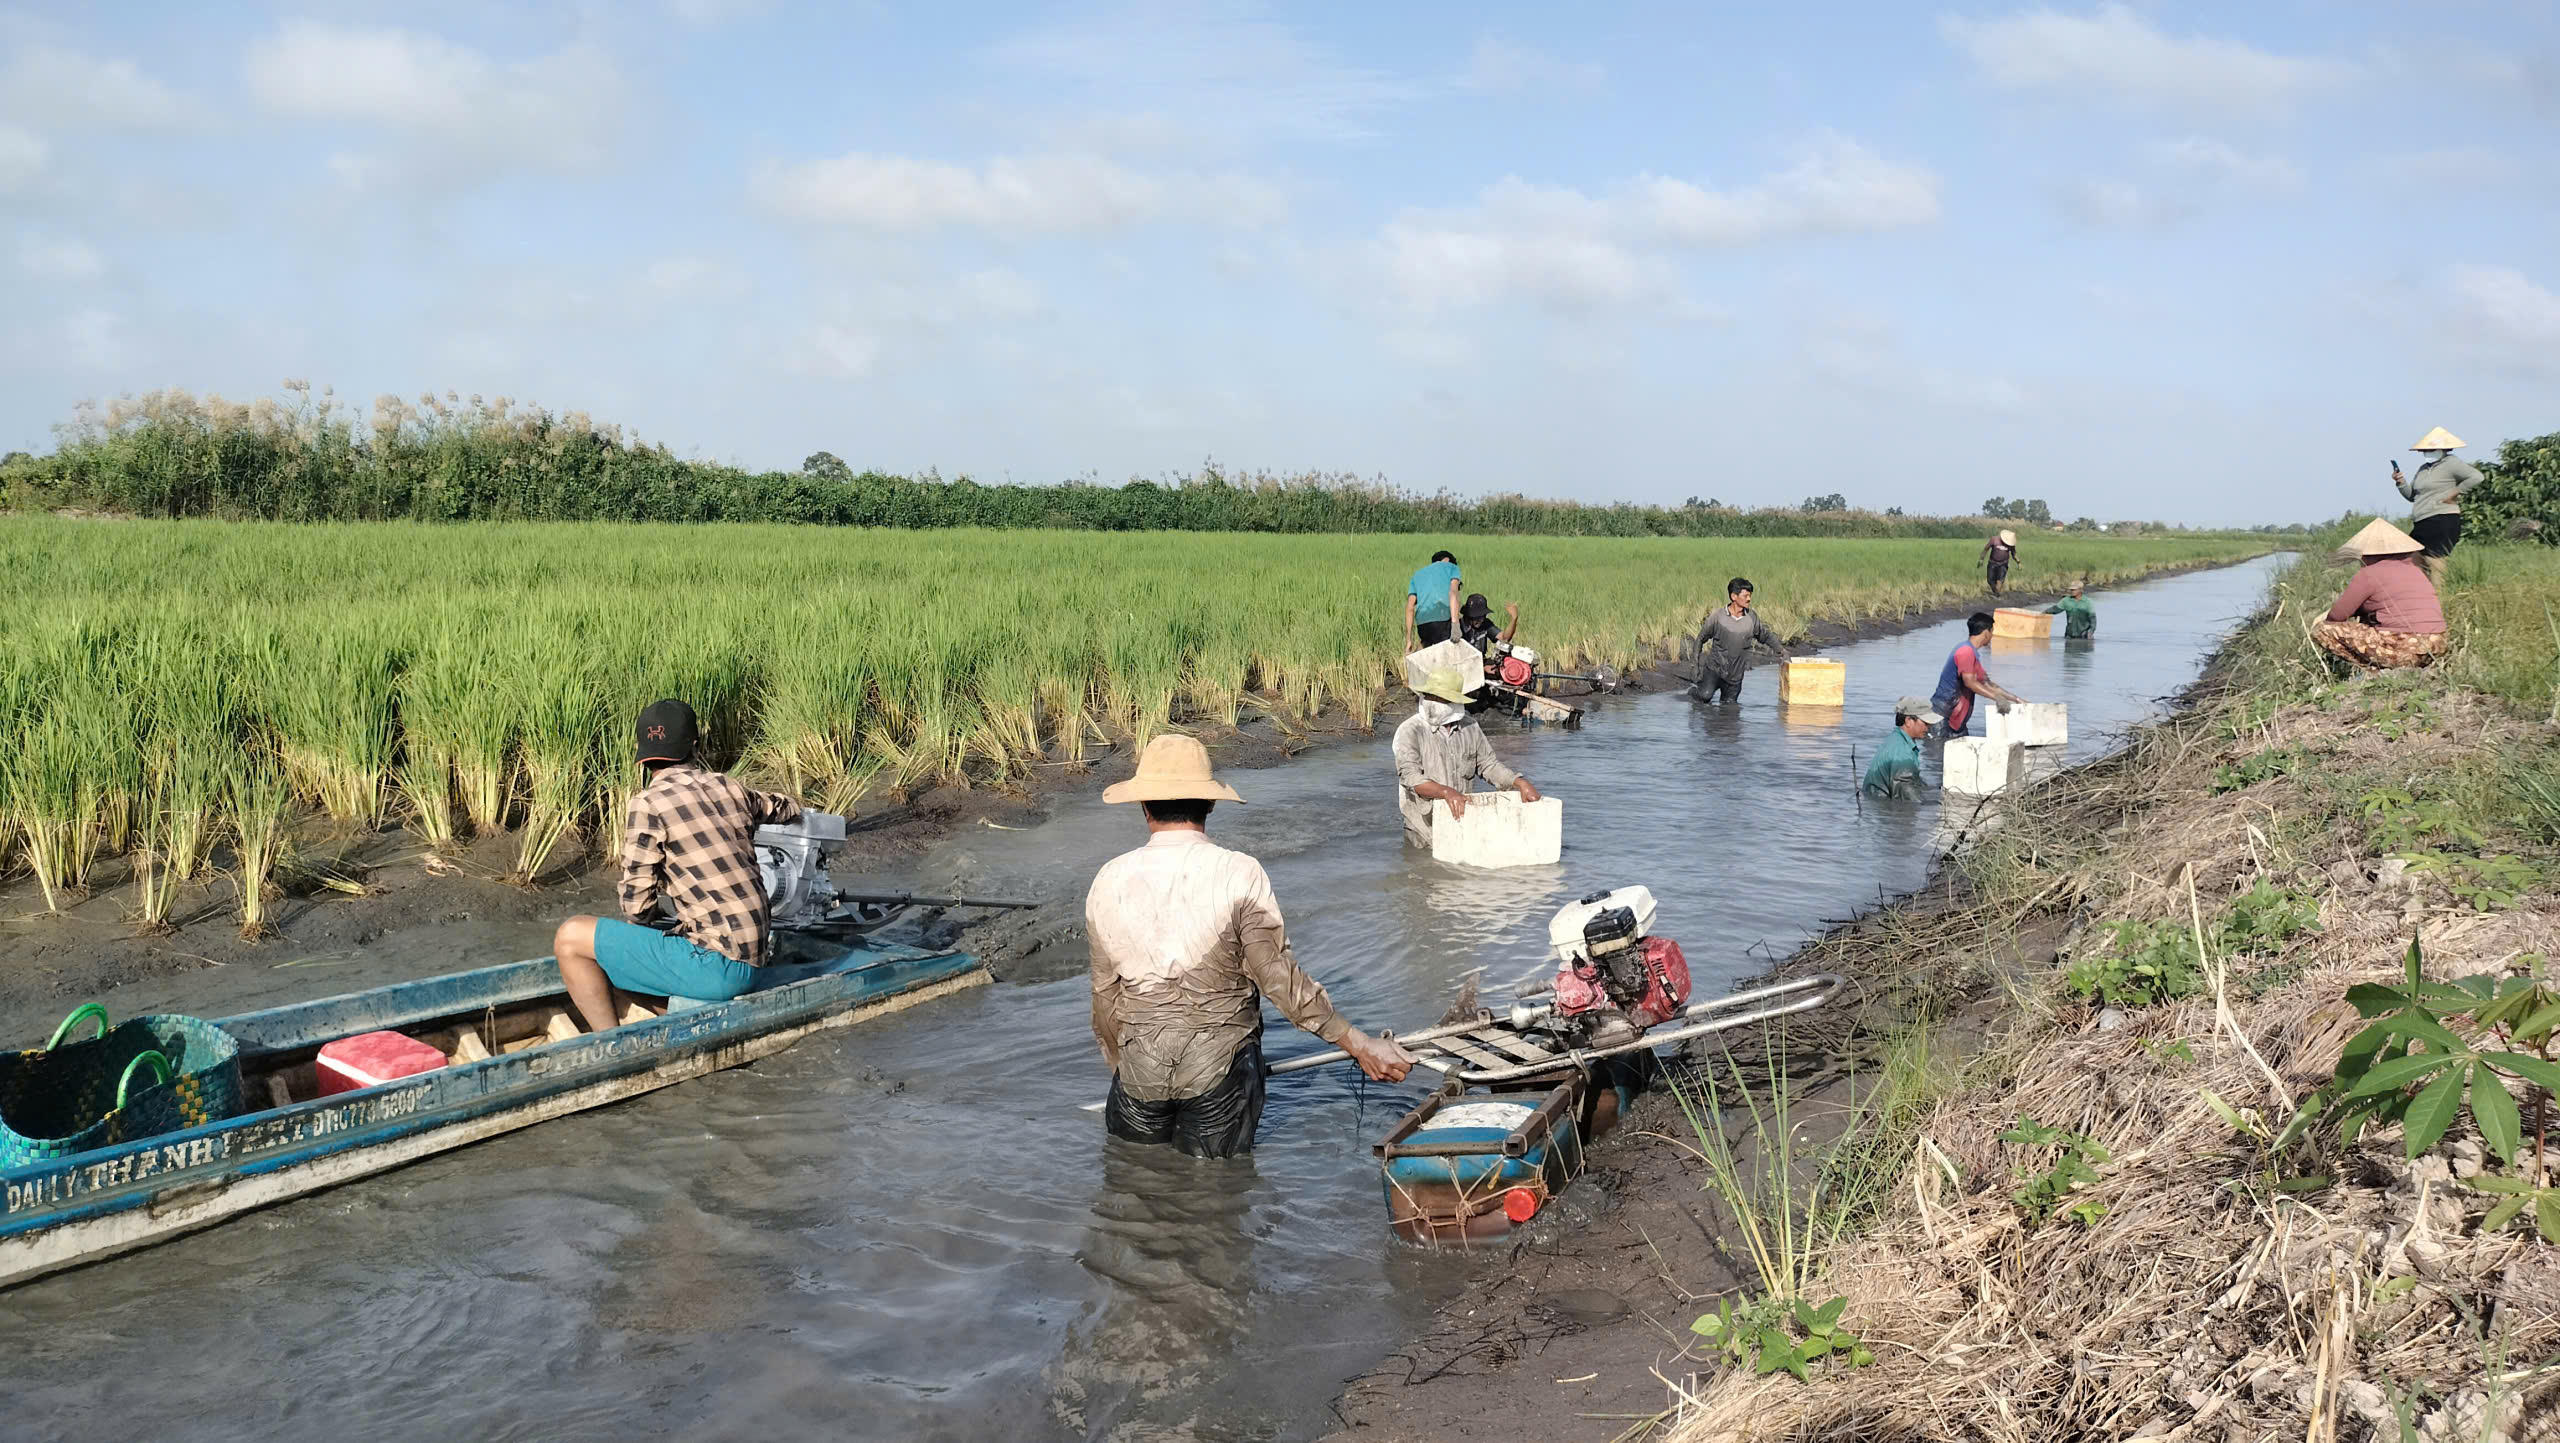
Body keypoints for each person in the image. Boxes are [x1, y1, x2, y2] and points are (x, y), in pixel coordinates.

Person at [1086, 733, 1415, 1158]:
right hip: (1219, 1074)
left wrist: (1124, 1068)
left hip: (1138, 1074)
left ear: (1144, 807)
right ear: (1210, 804)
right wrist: (1359, 1044)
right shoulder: (1239, 873)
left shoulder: (1107, 880)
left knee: (1136, 1186)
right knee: (1216, 1196)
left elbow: (1104, 998)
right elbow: (1280, 981)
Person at [552, 700, 803, 1034]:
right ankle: (672, 1012)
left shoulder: (648, 803)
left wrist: (653, 913)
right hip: (754, 956)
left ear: (644, 757)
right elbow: (782, 806)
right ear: (694, 748)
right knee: (647, 944)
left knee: (570, 937)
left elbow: (637, 907)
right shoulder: (728, 787)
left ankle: (609, 1042)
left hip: (719, 968)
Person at [1392, 667, 1543, 847]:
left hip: (1461, 818)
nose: (1432, 702)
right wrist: (1446, 792)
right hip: (1423, 830)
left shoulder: (1470, 728)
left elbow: (1488, 765)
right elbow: (1411, 778)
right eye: (1429, 696)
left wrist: (1519, 782)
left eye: (1440, 698)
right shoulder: (1410, 731)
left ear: (1454, 701)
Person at [2312, 519, 2447, 670]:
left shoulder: (2369, 574)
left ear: (2367, 554)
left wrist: (2325, 617)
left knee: (2322, 630)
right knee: (2368, 620)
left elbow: (2337, 617)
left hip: (2405, 648)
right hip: (2437, 646)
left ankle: (2371, 669)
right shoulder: (2416, 570)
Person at [2392, 427, 2483, 577]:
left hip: (2442, 518)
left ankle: (2440, 594)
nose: (2427, 453)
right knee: (2412, 558)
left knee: (2434, 558)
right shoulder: (2423, 469)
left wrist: (2455, 492)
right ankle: (2425, 593)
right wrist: (2401, 482)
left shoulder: (2451, 463)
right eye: (2425, 450)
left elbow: (2477, 477)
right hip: (2422, 520)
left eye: (2431, 449)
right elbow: (2412, 496)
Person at [1690, 576, 1784, 704]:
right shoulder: (1718, 617)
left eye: (1750, 595)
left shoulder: (1751, 618)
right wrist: (1695, 666)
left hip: (1735, 676)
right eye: (1745, 596)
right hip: (1715, 670)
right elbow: (1700, 639)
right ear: (1734, 596)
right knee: (1705, 696)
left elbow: (1765, 636)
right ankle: (1693, 692)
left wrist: (1782, 651)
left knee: (1729, 710)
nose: (1749, 599)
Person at [1931, 613, 2025, 737]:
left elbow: (1987, 684)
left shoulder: (1972, 653)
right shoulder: (1965, 652)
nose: (1992, 636)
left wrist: (2016, 699)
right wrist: (1997, 698)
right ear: (1986, 632)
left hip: (1957, 716)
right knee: (1938, 753)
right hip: (1943, 716)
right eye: (1992, 632)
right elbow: (1970, 682)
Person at [1862, 695, 1942, 799]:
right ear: (1908, 721)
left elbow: (1912, 781)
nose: (1929, 728)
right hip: (1881, 806)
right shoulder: (1902, 753)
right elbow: (1906, 797)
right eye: (1926, 723)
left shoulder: (1897, 738)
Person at [1405, 549, 1462, 649]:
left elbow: (1410, 607)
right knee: (1451, 649)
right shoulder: (1452, 568)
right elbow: (1453, 593)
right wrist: (1455, 624)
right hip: (1442, 620)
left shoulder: (1417, 574)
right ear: (1447, 560)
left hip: (1422, 625)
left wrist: (1408, 639)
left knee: (1426, 642)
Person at [1980, 530, 2018, 595]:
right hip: (1992, 563)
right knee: (1990, 580)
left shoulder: (2010, 544)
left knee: (1999, 581)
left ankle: (1997, 593)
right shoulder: (1994, 540)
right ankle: (1996, 592)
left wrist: (2018, 562)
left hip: (2003, 564)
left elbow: (2013, 553)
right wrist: (1981, 559)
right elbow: (1986, 549)